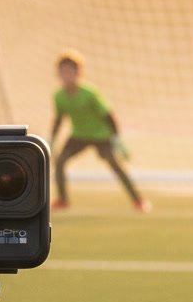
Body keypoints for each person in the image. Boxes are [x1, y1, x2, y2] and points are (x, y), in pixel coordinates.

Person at [50, 50, 150, 212]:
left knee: (115, 165)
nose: (66, 75)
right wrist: (51, 139)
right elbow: (59, 119)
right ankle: (63, 200)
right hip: (79, 136)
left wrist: (117, 141)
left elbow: (109, 116)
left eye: (70, 71)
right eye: (63, 71)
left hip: (100, 135)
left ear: (78, 72)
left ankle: (138, 200)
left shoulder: (90, 93)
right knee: (60, 161)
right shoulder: (59, 96)